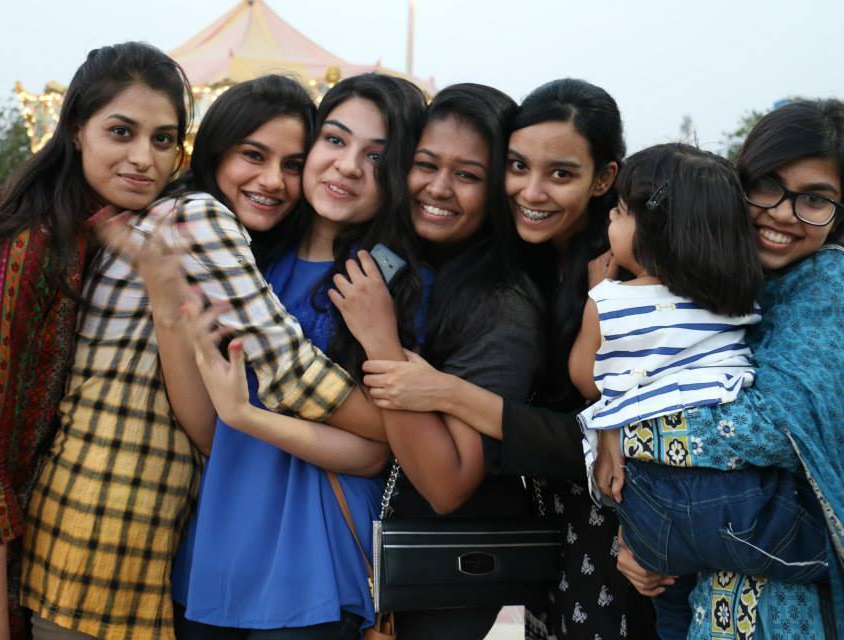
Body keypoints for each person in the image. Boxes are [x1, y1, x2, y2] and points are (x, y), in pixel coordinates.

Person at [0, 42, 192, 640]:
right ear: (77, 129)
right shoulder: (28, 244)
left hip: (7, 543)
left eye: (163, 139)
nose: (144, 158)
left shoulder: (93, 228)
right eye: (121, 131)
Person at [355, 79, 659, 639]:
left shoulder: (625, 267)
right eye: (518, 166)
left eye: (560, 174)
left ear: (605, 178)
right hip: (550, 523)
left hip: (619, 527)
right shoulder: (527, 256)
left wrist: (449, 393)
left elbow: (616, 432)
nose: (532, 191)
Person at [173, 73, 428, 639]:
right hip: (218, 552)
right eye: (335, 140)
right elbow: (212, 427)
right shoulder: (247, 263)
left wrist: (249, 416)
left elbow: (374, 452)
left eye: (376, 156)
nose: (347, 165)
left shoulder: (388, 283)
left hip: (317, 564)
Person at [318, 81, 550, 640]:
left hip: (449, 582)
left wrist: (380, 342)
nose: (438, 188)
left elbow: (447, 486)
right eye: (426, 164)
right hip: (354, 559)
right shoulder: (392, 259)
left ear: (497, 188)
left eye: (467, 175)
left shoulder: (503, 304)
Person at [571, 143, 829, 639]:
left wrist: (603, 292)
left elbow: (587, 376)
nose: (610, 216)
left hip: (644, 497)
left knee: (670, 600)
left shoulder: (606, 301)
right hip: (732, 495)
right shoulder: (737, 297)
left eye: (621, 211)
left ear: (652, 233)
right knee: (815, 550)